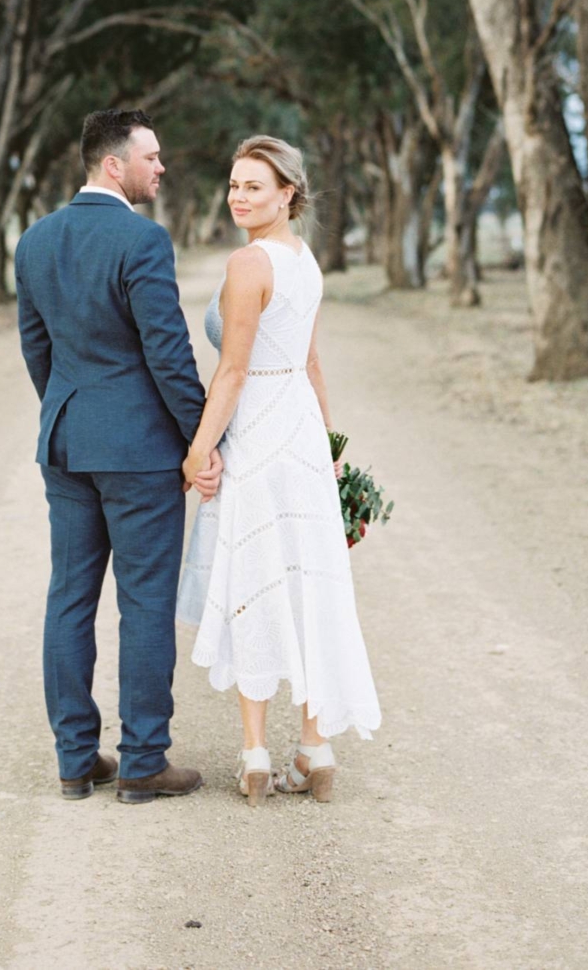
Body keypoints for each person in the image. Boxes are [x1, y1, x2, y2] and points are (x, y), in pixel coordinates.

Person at [15, 109, 223, 804]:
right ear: (114, 164)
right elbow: (168, 355)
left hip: (68, 442)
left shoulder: (35, 241)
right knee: (143, 602)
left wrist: (73, 413)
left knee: (69, 597)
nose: (161, 167)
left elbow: (37, 351)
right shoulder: (142, 241)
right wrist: (202, 441)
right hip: (138, 451)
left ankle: (76, 759)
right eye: (152, 157)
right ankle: (141, 760)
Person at [176, 135, 381, 804]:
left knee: (255, 582)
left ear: (287, 192)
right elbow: (312, 362)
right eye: (233, 184)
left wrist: (199, 450)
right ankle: (315, 747)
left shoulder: (248, 263)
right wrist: (327, 446)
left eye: (253, 186)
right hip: (298, 429)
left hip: (262, 426)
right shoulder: (306, 261)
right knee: (308, 583)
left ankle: (257, 752)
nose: (238, 196)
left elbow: (232, 371)